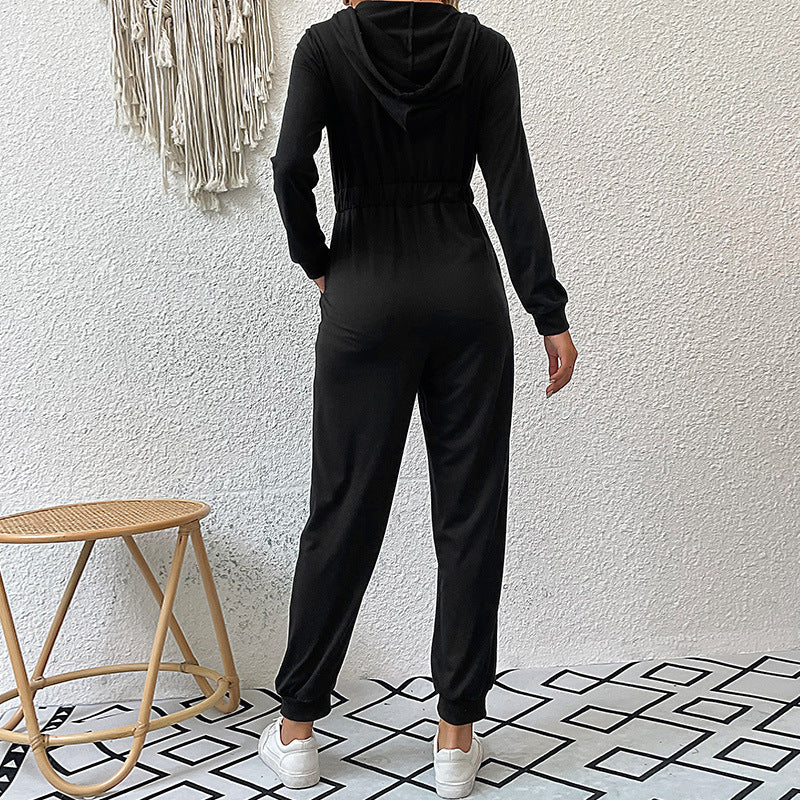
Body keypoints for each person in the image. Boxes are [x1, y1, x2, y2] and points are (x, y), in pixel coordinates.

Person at [259, 0, 578, 796]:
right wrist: (547, 311)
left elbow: (290, 165)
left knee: (343, 508)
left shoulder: (325, 46)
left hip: (365, 288)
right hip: (464, 292)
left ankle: (297, 734)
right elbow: (510, 187)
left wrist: (317, 259)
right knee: (470, 513)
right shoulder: (485, 51)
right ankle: (456, 741)